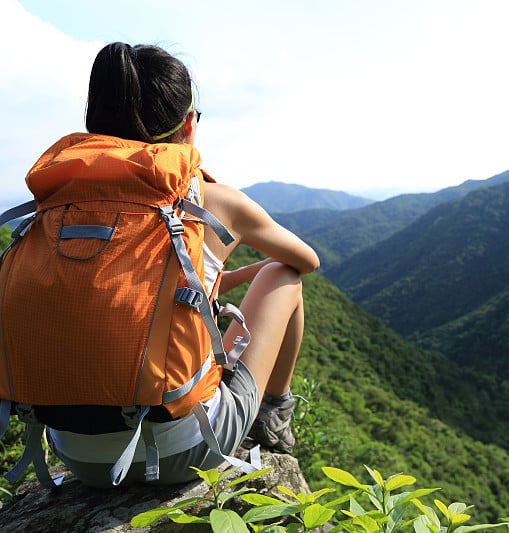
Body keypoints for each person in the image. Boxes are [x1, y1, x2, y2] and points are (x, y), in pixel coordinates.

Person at [43, 42, 320, 487]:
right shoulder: (213, 202)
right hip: (184, 449)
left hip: (79, 457)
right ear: (189, 124)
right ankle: (274, 414)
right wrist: (246, 270)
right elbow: (306, 260)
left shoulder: (57, 206)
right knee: (282, 275)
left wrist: (215, 278)